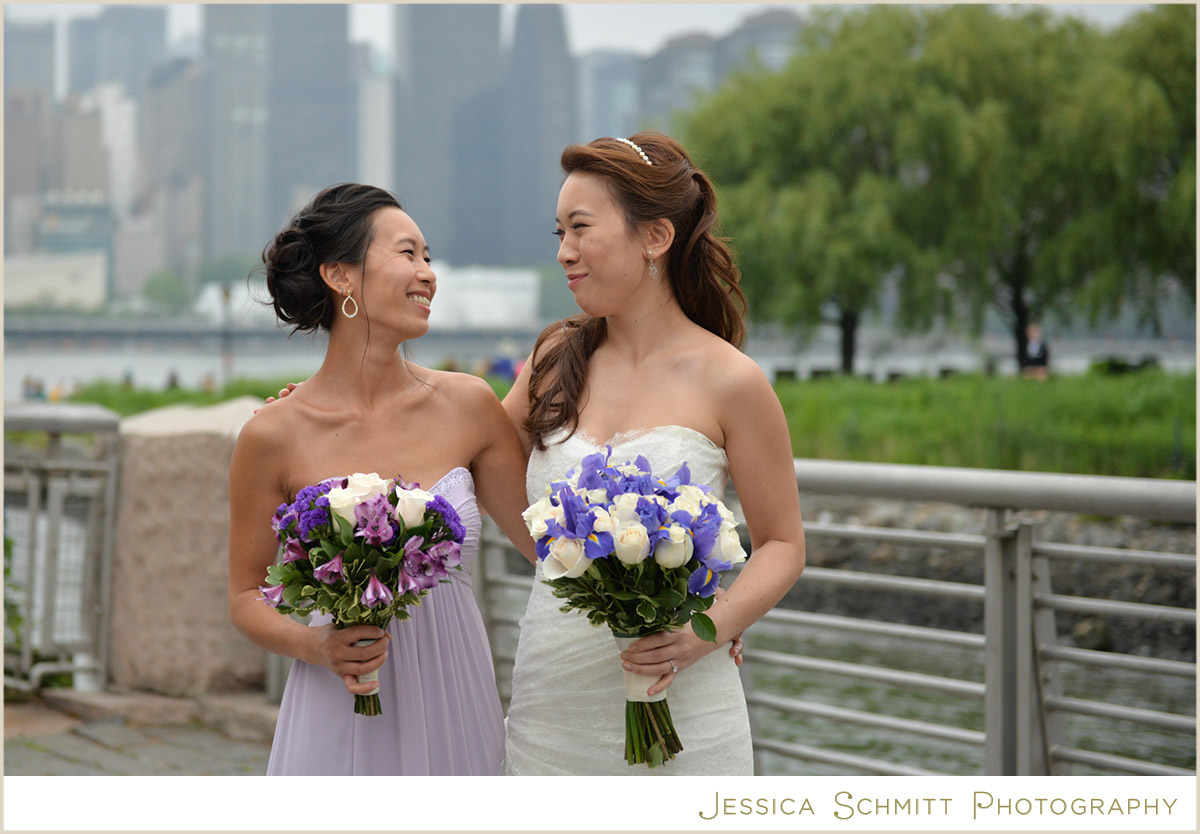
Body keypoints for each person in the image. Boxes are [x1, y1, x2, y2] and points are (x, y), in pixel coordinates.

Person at [500, 132, 807, 775]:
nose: (564, 253)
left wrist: (707, 629)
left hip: (686, 695)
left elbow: (782, 543)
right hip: (552, 701)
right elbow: (475, 461)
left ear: (655, 238)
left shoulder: (732, 381)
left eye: (580, 229)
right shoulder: (553, 360)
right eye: (557, 232)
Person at [227, 183, 534, 775]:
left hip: (455, 696)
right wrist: (315, 646)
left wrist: (694, 613)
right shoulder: (273, 434)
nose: (427, 274)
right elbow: (244, 598)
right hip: (336, 701)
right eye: (406, 254)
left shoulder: (469, 405)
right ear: (341, 277)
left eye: (427, 256)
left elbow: (552, 550)